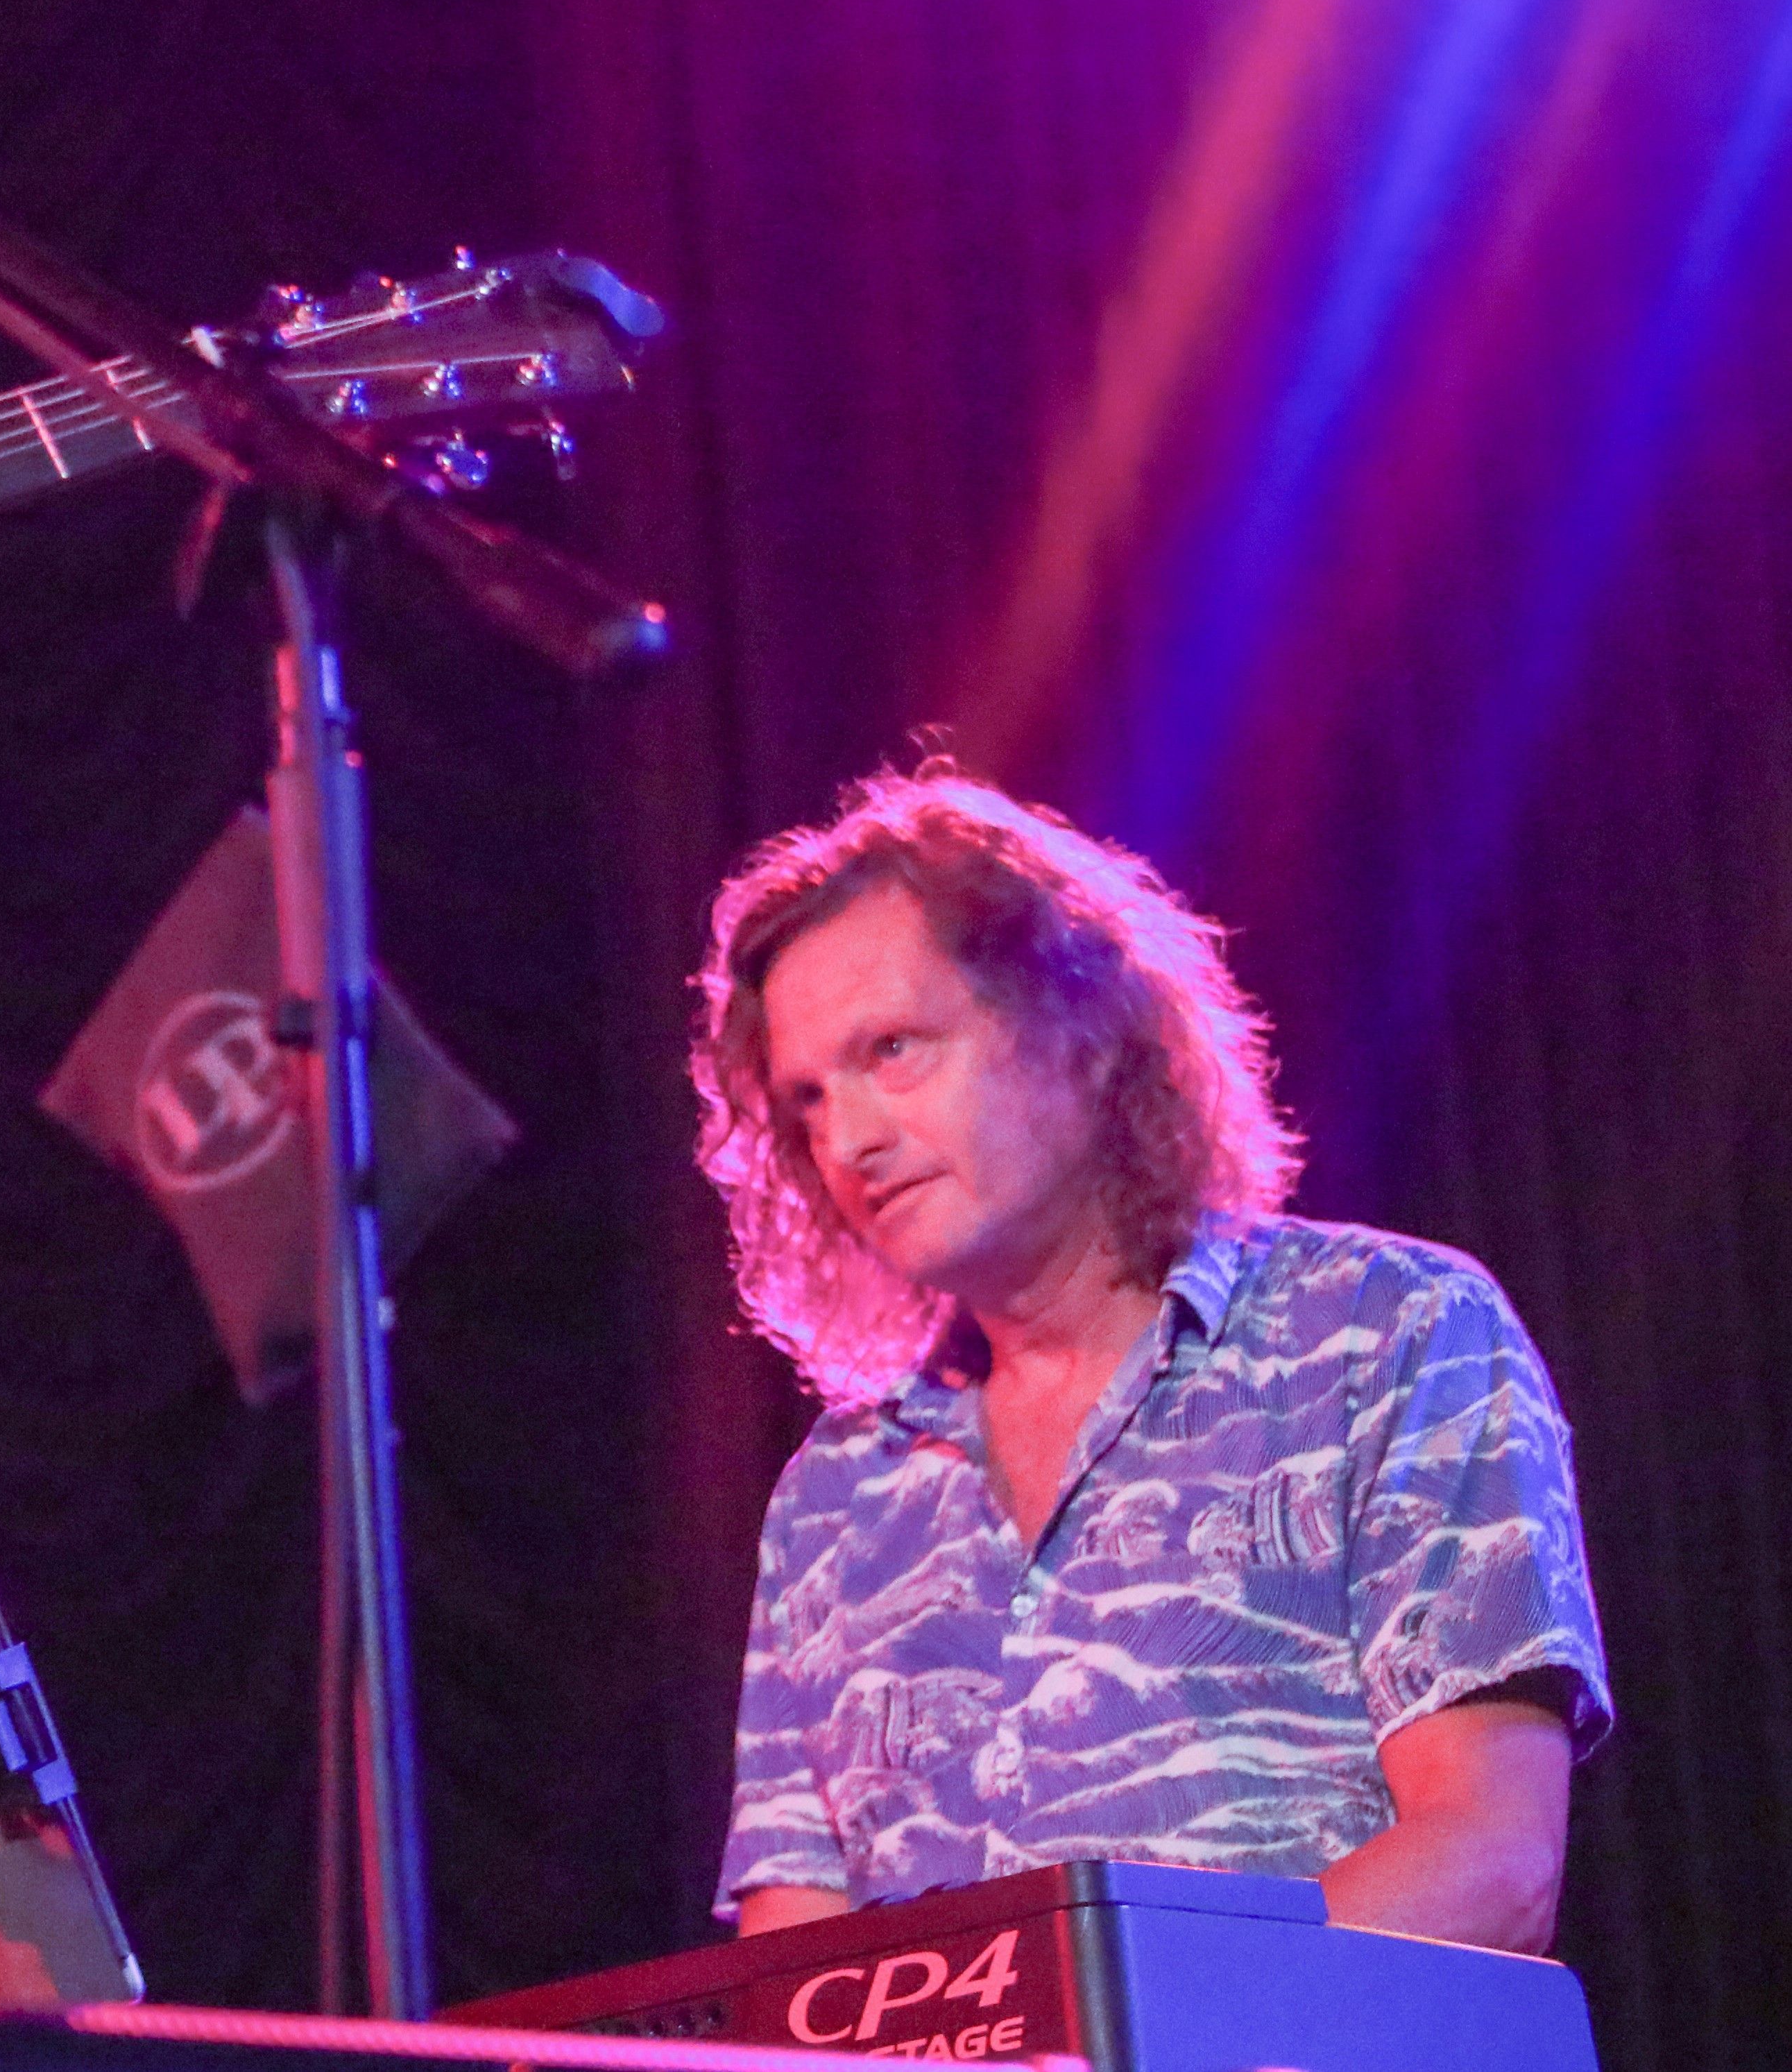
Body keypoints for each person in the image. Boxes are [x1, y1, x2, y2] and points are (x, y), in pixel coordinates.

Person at [687, 765, 1609, 1955]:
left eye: (895, 1050)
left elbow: (1490, 1865)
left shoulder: (1384, 1330)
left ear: (1073, 1030)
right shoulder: (833, 1495)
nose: (849, 1138)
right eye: (807, 1100)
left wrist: (1112, 2038)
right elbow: (794, 1975)